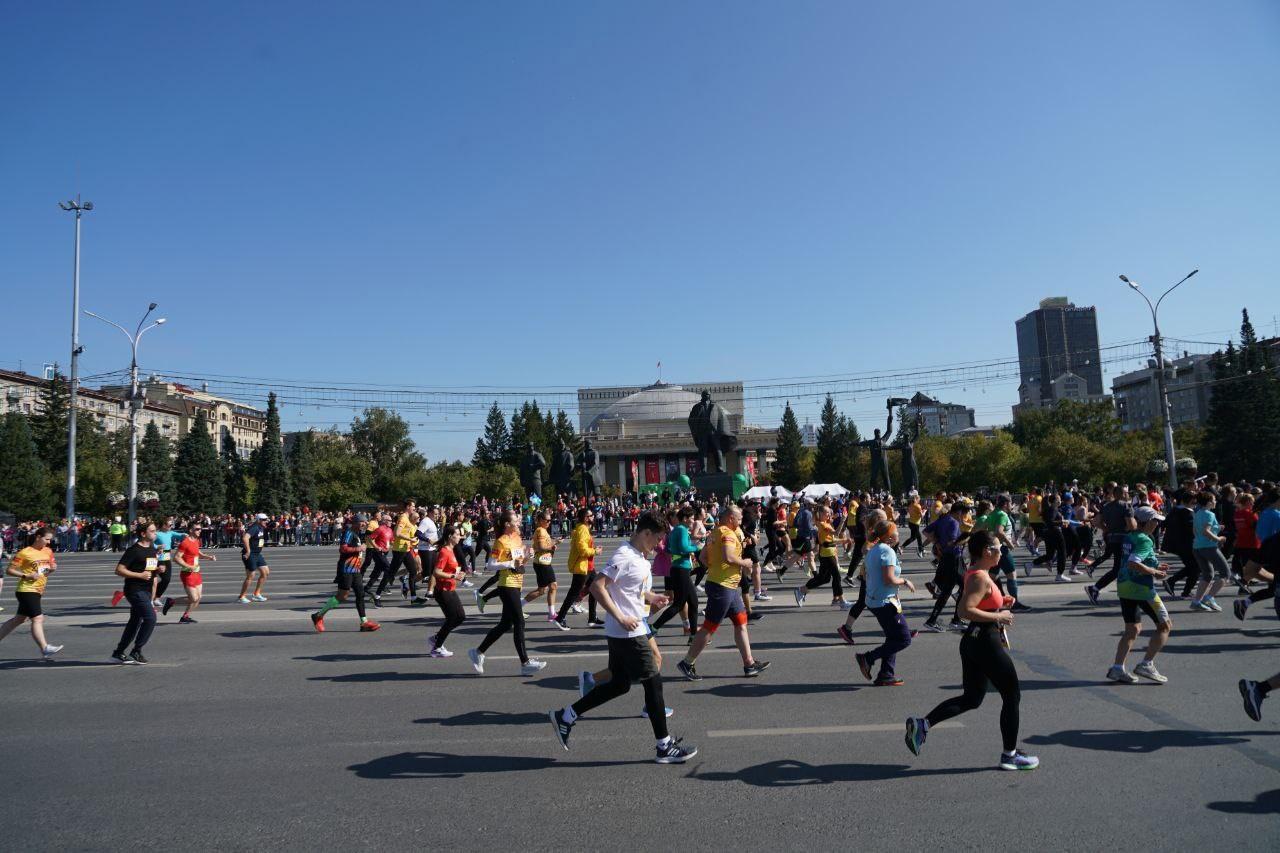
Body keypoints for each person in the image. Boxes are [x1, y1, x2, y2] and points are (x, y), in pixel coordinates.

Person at [550, 512, 696, 764]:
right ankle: (664, 746)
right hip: (629, 632)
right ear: (646, 533)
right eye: (658, 539)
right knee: (654, 684)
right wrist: (619, 616)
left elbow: (631, 590)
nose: (660, 545)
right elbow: (597, 586)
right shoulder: (624, 555)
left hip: (626, 630)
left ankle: (566, 716)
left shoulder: (637, 556)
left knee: (620, 684)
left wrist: (652, 598)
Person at [904, 529, 1038, 771]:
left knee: (972, 698)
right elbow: (965, 610)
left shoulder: (979, 573)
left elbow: (979, 601)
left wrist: (1000, 604)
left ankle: (923, 725)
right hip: (985, 642)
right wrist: (1001, 616)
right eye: (999, 549)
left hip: (974, 641)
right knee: (1012, 695)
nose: (1002, 553)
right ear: (987, 552)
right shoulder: (980, 577)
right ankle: (1010, 755)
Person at [676, 505, 770, 681]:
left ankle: (749, 664)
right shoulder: (727, 534)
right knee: (709, 627)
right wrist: (744, 563)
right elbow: (728, 557)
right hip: (723, 586)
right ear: (730, 518)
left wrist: (715, 567)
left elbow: (703, 557)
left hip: (727, 585)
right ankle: (687, 663)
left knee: (741, 622)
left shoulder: (715, 532)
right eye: (739, 518)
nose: (741, 520)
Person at [468, 510, 546, 676]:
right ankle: (525, 663)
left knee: (505, 624)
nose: (518, 522)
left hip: (517, 583)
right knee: (519, 622)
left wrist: (527, 556)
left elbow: (519, 564)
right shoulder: (500, 542)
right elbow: (491, 565)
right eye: (515, 521)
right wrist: (510, 563)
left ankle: (478, 652)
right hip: (506, 585)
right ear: (507, 525)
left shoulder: (517, 539)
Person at [1106, 506, 1173, 684]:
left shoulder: (1131, 536)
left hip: (1125, 586)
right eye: (1155, 520)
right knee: (1165, 626)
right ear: (1147, 522)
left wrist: (1155, 566)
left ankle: (1117, 668)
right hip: (1141, 589)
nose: (1158, 524)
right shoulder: (1145, 540)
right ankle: (1147, 664)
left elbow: (1135, 559)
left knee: (1132, 629)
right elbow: (1134, 563)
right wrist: (1154, 572)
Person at [852, 519, 914, 685]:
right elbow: (889, 579)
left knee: (892, 638)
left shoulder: (874, 549)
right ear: (889, 536)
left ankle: (886, 674)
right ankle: (868, 658)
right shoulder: (887, 551)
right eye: (896, 532)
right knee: (903, 639)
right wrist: (904, 581)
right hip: (884, 602)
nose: (899, 534)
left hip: (876, 600)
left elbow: (868, 576)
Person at [0, 526, 63, 660]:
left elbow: (43, 573)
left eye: (50, 540)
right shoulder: (25, 552)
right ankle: (45, 648)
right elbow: (9, 570)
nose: (49, 542)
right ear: (38, 537)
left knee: (18, 620)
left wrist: (52, 569)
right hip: (26, 590)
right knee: (38, 618)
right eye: (47, 539)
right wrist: (25, 576)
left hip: (38, 589)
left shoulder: (48, 551)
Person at [310, 516, 380, 633]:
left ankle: (364, 622)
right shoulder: (349, 532)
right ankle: (318, 615)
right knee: (342, 596)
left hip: (355, 570)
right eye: (363, 522)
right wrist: (358, 549)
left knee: (360, 594)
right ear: (356, 522)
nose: (365, 524)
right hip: (346, 569)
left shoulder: (357, 534)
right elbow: (343, 549)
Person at [111, 522, 161, 664]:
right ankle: (136, 651)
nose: (155, 533)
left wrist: (158, 569)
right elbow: (119, 570)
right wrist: (139, 576)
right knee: (151, 618)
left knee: (135, 622)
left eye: (155, 530)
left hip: (146, 591)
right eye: (152, 531)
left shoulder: (151, 549)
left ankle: (119, 652)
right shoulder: (134, 550)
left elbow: (149, 570)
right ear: (143, 534)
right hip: (134, 590)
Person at [921, 500, 971, 633]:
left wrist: (937, 542)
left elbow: (925, 531)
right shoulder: (954, 523)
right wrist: (966, 538)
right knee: (966, 586)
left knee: (947, 591)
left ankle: (933, 620)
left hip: (946, 558)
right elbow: (952, 542)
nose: (964, 518)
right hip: (954, 558)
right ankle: (956, 619)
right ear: (959, 512)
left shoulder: (943, 519)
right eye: (964, 515)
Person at [650, 505, 700, 638]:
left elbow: (667, 550)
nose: (693, 521)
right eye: (692, 518)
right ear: (684, 519)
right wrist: (696, 547)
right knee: (679, 604)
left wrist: (679, 554)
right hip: (681, 570)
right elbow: (684, 547)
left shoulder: (674, 531)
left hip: (677, 569)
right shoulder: (682, 530)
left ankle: (693, 636)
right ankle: (654, 627)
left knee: (693, 602)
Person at [551, 508, 602, 628]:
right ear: (585, 518)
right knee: (573, 593)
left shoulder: (583, 528)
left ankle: (592, 618)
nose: (593, 517)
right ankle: (560, 617)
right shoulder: (582, 530)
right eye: (591, 515)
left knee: (595, 588)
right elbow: (583, 550)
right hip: (582, 567)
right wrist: (595, 551)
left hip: (588, 566)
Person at [793, 505, 848, 608]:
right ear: (821, 514)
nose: (829, 514)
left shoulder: (825, 523)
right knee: (837, 576)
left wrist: (844, 540)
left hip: (828, 553)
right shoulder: (823, 525)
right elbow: (836, 533)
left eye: (829, 512)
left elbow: (831, 539)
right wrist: (843, 520)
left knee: (824, 578)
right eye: (827, 513)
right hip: (827, 554)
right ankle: (841, 601)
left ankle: (802, 590)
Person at [162, 521, 216, 623]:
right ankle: (171, 601)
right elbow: (176, 558)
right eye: (197, 529)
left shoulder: (196, 540)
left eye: (200, 529)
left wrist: (208, 557)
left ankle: (185, 616)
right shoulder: (185, 543)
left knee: (198, 598)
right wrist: (188, 566)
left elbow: (197, 553)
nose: (199, 531)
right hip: (187, 574)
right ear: (191, 530)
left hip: (196, 573)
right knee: (194, 598)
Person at [428, 525, 466, 657]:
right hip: (443, 591)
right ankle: (436, 648)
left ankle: (436, 638)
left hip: (450, 588)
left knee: (460, 617)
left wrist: (457, 574)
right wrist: (453, 576)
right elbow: (436, 572)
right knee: (452, 618)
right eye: (457, 534)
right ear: (450, 536)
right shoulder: (444, 551)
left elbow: (449, 569)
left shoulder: (452, 550)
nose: (460, 536)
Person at [1189, 491, 1229, 612]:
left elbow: (1195, 530)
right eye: (1214, 499)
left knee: (1208, 574)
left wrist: (1217, 528)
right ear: (1209, 502)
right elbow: (1206, 531)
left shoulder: (1197, 513)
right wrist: (1219, 539)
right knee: (1225, 573)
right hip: (1209, 547)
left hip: (1197, 547)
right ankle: (1209, 598)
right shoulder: (1210, 514)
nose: (1215, 501)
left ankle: (1196, 602)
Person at [525, 510, 563, 627]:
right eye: (547, 520)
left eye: (550, 520)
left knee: (542, 590)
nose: (549, 522)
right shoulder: (540, 530)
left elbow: (544, 546)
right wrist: (554, 542)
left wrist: (552, 546)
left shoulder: (543, 531)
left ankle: (517, 605)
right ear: (540, 521)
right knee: (553, 586)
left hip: (543, 562)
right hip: (542, 563)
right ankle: (551, 613)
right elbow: (541, 547)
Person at [238, 513, 272, 603]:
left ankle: (256, 594)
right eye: (264, 520)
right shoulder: (255, 527)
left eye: (266, 519)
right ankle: (241, 596)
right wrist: (248, 551)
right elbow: (245, 538)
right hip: (250, 554)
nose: (266, 521)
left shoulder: (261, 527)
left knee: (265, 572)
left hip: (257, 554)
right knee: (251, 575)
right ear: (258, 520)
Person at [151, 517, 179, 608]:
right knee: (152, 579)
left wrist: (187, 535)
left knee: (166, 580)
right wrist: (157, 546)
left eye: (172, 524)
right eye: (170, 525)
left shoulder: (170, 533)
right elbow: (150, 543)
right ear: (163, 525)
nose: (171, 526)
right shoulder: (157, 534)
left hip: (167, 558)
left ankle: (156, 598)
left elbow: (180, 535)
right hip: (159, 558)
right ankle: (151, 598)